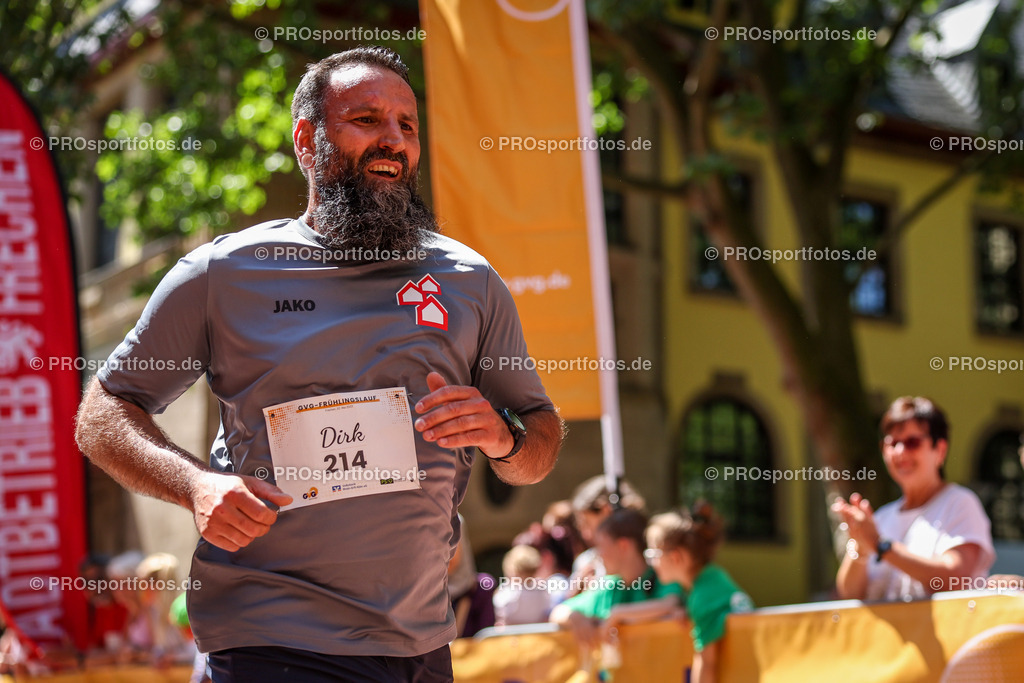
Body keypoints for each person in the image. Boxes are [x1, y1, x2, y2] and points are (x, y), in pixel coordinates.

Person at [74, 46, 563, 683]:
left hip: (419, 647)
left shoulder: (469, 280)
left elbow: (540, 444)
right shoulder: (226, 274)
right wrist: (195, 486)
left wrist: (505, 437)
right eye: (366, 119)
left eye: (406, 125)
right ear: (307, 139)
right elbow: (101, 413)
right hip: (271, 643)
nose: (393, 140)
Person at [833, 396, 995, 601]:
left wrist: (880, 545)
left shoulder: (960, 503)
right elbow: (848, 595)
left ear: (940, 450)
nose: (900, 452)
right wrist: (861, 547)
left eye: (912, 442)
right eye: (892, 443)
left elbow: (955, 578)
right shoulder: (881, 517)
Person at [646, 503, 753, 683]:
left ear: (675, 557)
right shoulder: (712, 578)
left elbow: (707, 663)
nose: (651, 562)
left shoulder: (702, 597)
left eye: (653, 553)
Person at [549, 508, 682, 648]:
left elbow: (672, 603)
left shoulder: (663, 577)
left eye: (601, 546)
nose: (598, 555)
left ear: (623, 545)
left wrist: (618, 614)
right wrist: (575, 617)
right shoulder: (610, 586)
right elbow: (558, 612)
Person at [568, 477, 645, 592]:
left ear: (606, 511)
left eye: (587, 523)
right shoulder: (586, 561)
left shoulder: (651, 560)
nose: (585, 535)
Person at [492, 545, 551, 626]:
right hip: (536, 635)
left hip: (511, 635)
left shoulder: (508, 592)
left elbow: (500, 613)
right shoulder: (542, 590)